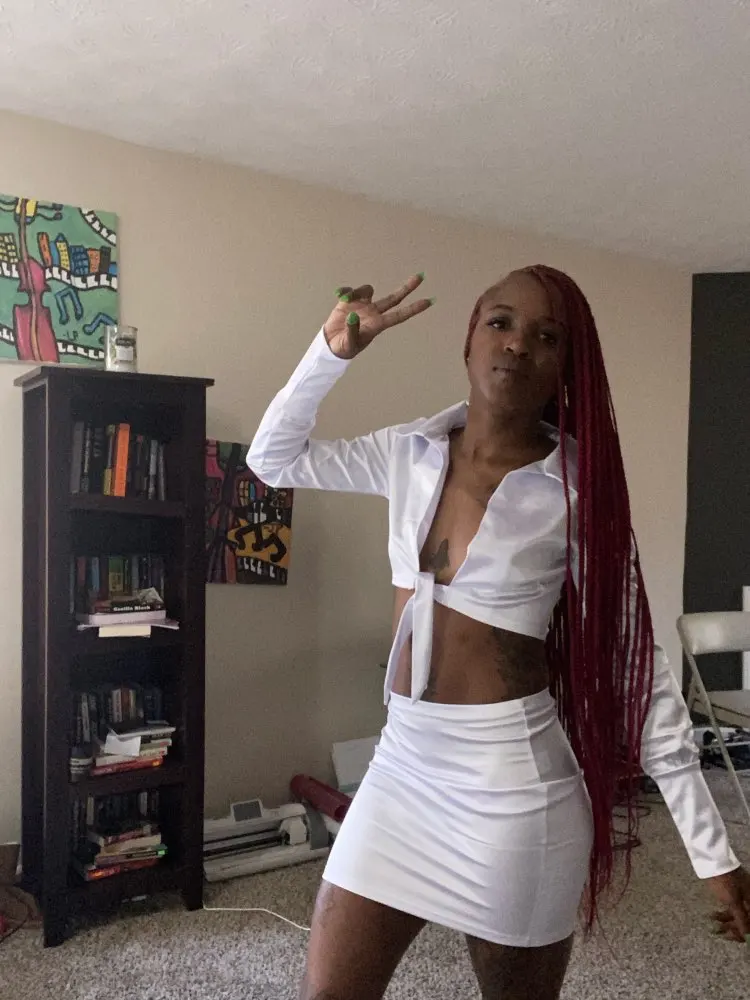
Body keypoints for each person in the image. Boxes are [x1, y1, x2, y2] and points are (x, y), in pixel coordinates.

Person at [247, 266, 749, 1000]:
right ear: (469, 340)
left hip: (513, 793)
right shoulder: (409, 450)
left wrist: (712, 852)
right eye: (501, 322)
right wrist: (330, 353)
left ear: (567, 368)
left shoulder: (579, 491)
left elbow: (638, 669)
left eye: (547, 337)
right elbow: (272, 459)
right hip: (400, 768)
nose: (517, 345)